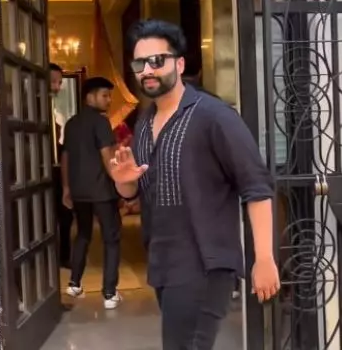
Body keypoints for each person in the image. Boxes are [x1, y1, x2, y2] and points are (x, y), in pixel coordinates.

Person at [110, 19, 280, 349]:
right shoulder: (144, 123)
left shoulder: (214, 116)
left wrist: (264, 258)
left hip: (205, 263)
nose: (148, 70)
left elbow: (256, 187)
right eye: (140, 64)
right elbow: (137, 191)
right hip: (163, 264)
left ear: (179, 64)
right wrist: (123, 183)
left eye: (157, 60)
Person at [61, 77, 122, 310]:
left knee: (83, 234)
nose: (109, 100)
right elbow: (107, 156)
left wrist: (67, 188)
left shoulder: (71, 123)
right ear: (90, 97)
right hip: (101, 190)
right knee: (111, 239)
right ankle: (109, 293)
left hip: (79, 191)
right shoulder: (101, 122)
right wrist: (119, 182)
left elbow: (65, 158)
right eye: (105, 95)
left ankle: (74, 283)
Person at [50, 62, 73, 269]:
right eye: (53, 82)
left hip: (56, 168)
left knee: (65, 214)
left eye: (59, 82)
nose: (56, 87)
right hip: (37, 170)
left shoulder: (54, 109)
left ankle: (64, 255)